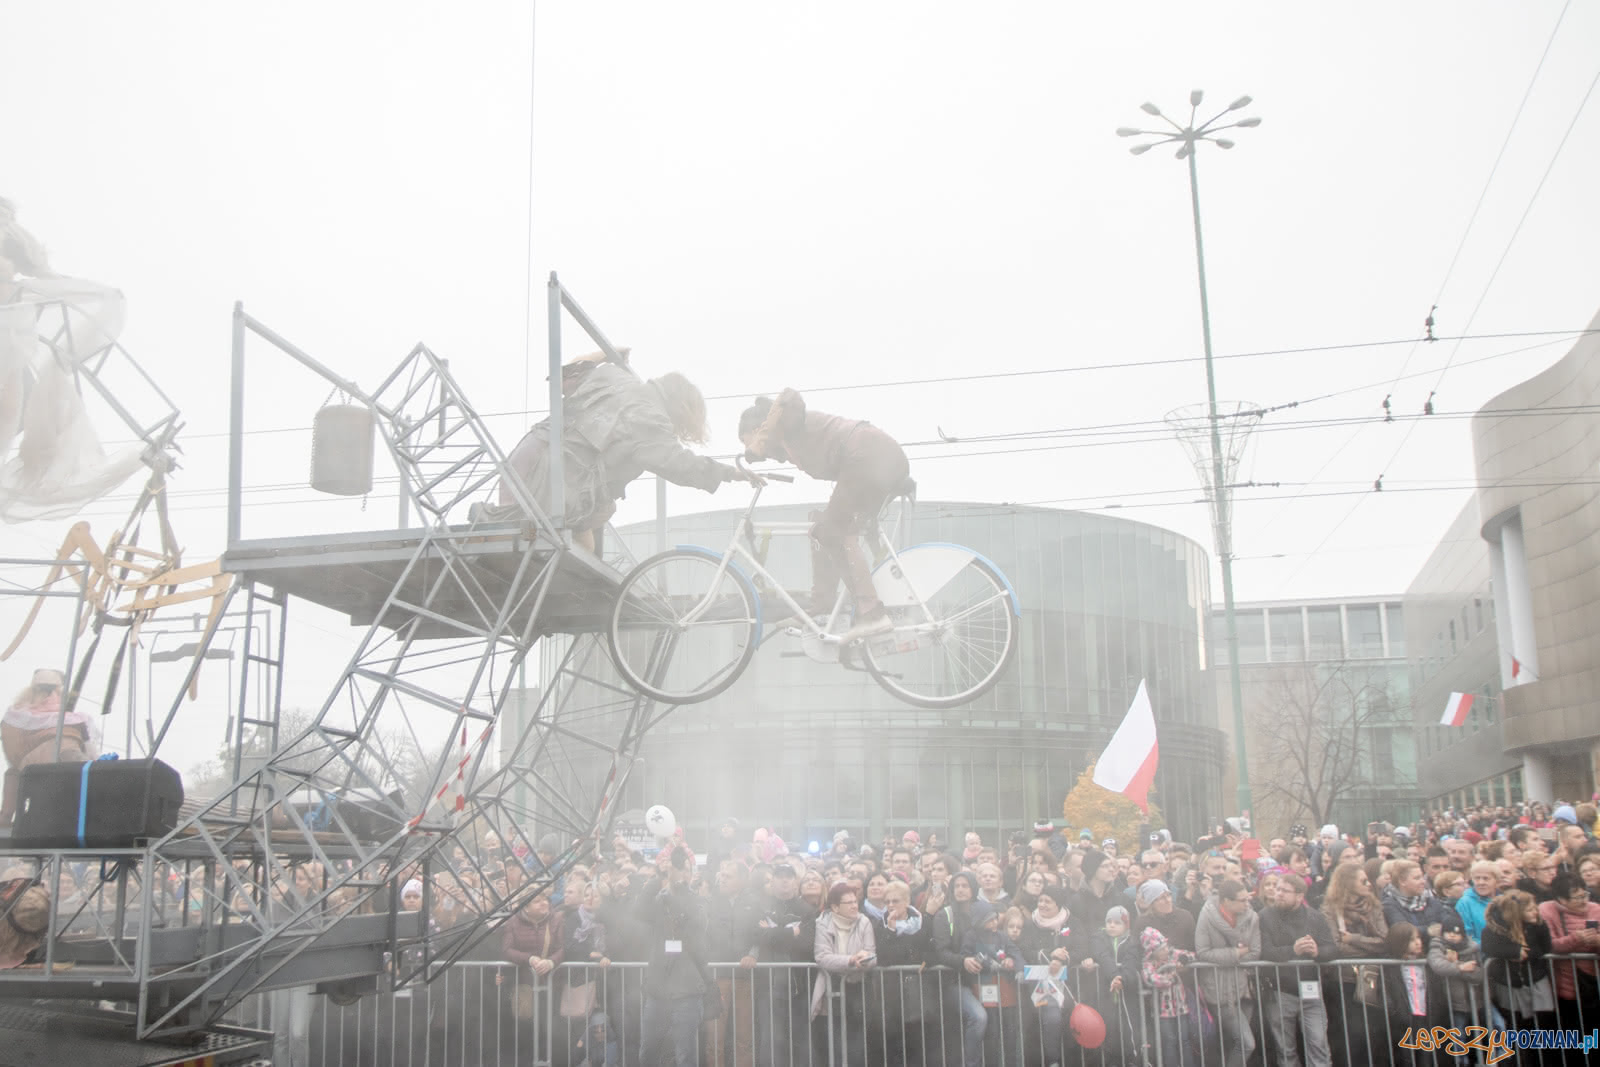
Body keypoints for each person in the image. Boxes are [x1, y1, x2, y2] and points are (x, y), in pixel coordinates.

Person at [501, 355, 757, 552]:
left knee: (593, 516)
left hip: (523, 463)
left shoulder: (615, 376)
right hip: (542, 490)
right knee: (595, 516)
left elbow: (563, 375)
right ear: (680, 408)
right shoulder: (648, 417)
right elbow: (678, 464)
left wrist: (605, 356)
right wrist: (729, 473)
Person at [737, 389, 910, 642]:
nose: (754, 451)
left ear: (763, 428)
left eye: (749, 441)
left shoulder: (788, 424)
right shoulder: (790, 445)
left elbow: (788, 396)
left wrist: (762, 439)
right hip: (870, 462)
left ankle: (871, 613)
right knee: (820, 527)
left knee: (833, 531)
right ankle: (823, 605)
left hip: (868, 457)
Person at [1258, 870, 1335, 1067]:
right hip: (1280, 991)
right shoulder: (1265, 916)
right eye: (1277, 889)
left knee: (1318, 1043)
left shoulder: (1314, 917)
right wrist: (1293, 950)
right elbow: (1265, 952)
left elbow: (1332, 948)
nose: (1279, 894)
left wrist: (1318, 952)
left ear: (1300, 896)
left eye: (1285, 890)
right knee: (1286, 1049)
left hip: (1312, 990)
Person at [1, 667, 95, 826]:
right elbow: (89, 755)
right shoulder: (72, 720)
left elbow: (13, 764)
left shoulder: (13, 717)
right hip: (56, 772)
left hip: (32, 775)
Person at [1194, 878, 1260, 1067]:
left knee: (1238, 1042)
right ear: (1226, 901)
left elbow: (1255, 952)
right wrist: (1236, 953)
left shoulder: (1252, 917)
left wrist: (1227, 957)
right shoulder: (1207, 916)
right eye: (1242, 900)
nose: (1247, 904)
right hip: (1218, 990)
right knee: (1247, 1043)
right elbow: (1203, 952)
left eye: (1247, 899)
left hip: (1244, 988)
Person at [812, 880, 876, 1067]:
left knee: (856, 1045)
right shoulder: (822, 924)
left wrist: (864, 959)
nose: (854, 906)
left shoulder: (864, 922)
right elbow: (822, 957)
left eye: (855, 901)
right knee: (832, 1044)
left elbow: (872, 954)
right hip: (830, 989)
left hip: (856, 988)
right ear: (835, 907)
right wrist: (850, 960)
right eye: (849, 903)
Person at [1537, 872, 1600, 1061]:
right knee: (1570, 1037)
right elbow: (1549, 945)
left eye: (1585, 895)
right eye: (1577, 897)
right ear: (1560, 899)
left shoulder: (1595, 909)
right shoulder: (1547, 910)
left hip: (1592, 984)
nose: (1583, 901)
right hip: (1562, 986)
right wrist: (1576, 939)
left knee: (1593, 1035)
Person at [1480, 890, 1554, 1029]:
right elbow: (1487, 947)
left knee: (1544, 1022)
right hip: (1508, 982)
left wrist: (1528, 953)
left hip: (1536, 978)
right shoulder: (1494, 928)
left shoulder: (1538, 925)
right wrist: (1513, 952)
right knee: (1517, 1024)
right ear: (1517, 912)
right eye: (1529, 910)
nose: (1535, 912)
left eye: (1535, 908)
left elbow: (1546, 947)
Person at [1383, 922, 1447, 1066]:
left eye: (1418, 938)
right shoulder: (1390, 967)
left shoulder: (1426, 964)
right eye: (1412, 940)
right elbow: (1387, 993)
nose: (1418, 942)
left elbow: (1437, 992)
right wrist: (1395, 1012)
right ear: (1400, 942)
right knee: (1406, 1059)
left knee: (1426, 1058)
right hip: (1404, 1019)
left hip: (1425, 1017)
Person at [1142, 926, 1199, 1067]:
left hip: (1181, 1007)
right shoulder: (1149, 963)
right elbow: (1149, 978)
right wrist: (1168, 978)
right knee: (1169, 1041)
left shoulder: (1173, 954)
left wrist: (1184, 959)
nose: (1166, 950)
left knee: (1184, 1039)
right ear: (1152, 952)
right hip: (1162, 1011)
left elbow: (1193, 955)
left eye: (1166, 947)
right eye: (1161, 949)